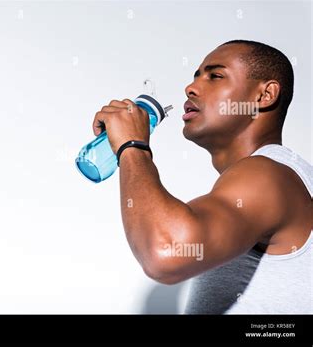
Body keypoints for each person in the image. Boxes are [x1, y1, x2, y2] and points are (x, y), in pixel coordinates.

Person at [92, 40, 312, 314]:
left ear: (264, 95)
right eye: (195, 75)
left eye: (215, 76)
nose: (191, 88)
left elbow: (166, 253)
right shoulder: (274, 176)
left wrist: (132, 147)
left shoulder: (267, 175)